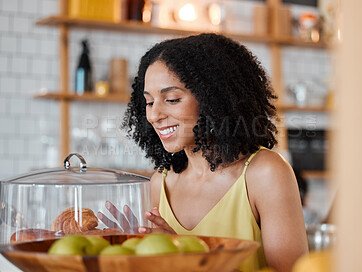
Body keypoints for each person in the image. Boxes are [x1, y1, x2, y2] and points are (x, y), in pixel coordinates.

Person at [99, 33, 308, 272]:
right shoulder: (160, 183)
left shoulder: (265, 174)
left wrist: (186, 255)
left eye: (172, 99)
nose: (154, 115)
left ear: (215, 99)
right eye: (148, 102)